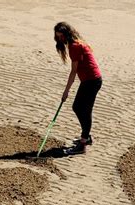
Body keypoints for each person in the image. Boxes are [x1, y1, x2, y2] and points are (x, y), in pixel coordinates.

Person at [54, 22, 102, 155]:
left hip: (92, 81)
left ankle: (83, 144)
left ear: (67, 34)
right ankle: (86, 137)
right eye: (58, 37)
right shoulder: (75, 43)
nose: (60, 39)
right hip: (91, 80)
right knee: (82, 109)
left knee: (81, 109)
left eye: (62, 36)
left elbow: (73, 71)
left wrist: (66, 91)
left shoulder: (75, 46)